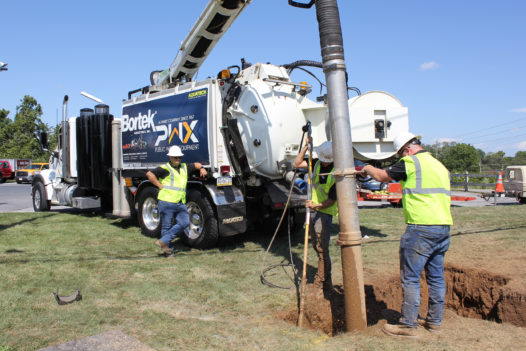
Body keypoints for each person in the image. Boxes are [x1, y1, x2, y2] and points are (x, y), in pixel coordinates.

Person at [362, 131, 452, 338]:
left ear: (408, 149)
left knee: (410, 278)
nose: (401, 158)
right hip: (443, 227)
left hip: (420, 228)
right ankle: (435, 322)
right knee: (436, 277)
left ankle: (408, 325)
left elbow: (382, 176)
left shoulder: (411, 162)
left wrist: (366, 168)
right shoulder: (440, 165)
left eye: (401, 154)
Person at [293, 138, 338, 290]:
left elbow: (332, 200)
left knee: (322, 247)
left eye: (326, 160)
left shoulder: (336, 173)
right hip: (312, 211)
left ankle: (322, 281)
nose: (324, 162)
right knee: (316, 245)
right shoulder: (316, 164)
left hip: (324, 212)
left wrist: (315, 205)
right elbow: (296, 164)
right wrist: (306, 147)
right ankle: (325, 278)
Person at [146, 145, 207, 257]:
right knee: (166, 227)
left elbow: (197, 164)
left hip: (179, 202)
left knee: (185, 222)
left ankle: (163, 241)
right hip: (166, 201)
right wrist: (159, 185)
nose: (178, 159)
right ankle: (168, 252)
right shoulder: (164, 168)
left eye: (179, 157)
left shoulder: (185, 167)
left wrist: (202, 168)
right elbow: (149, 174)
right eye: (175, 157)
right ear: (170, 157)